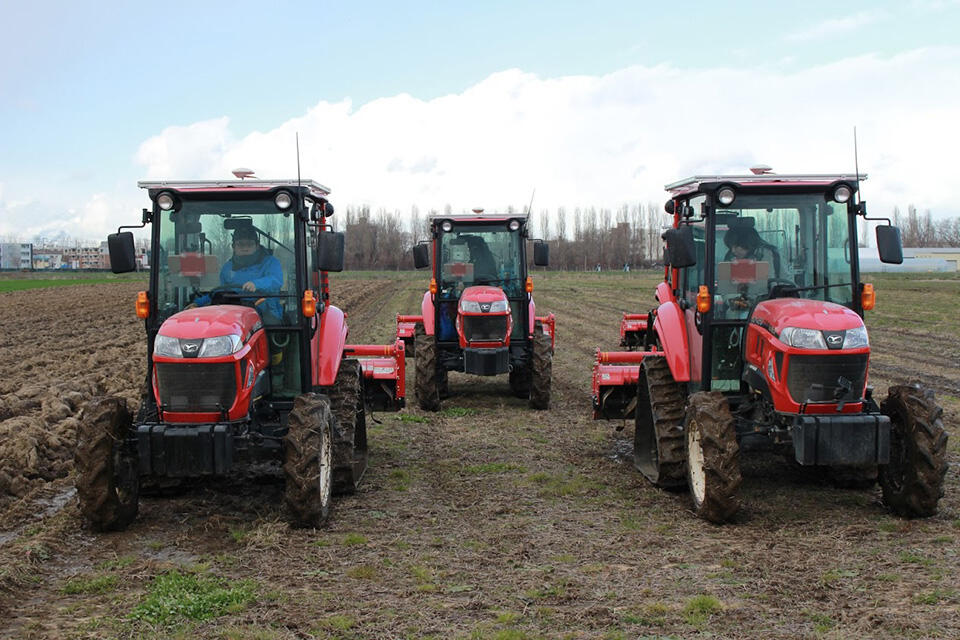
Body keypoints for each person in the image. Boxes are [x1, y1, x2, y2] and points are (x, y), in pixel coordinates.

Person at [193, 226, 284, 322]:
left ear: (257, 246)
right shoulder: (227, 268)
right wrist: (198, 303)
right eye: (240, 244)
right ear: (233, 247)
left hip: (266, 313)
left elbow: (276, 280)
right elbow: (221, 291)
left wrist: (256, 284)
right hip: (234, 314)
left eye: (249, 244)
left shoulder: (270, 263)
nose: (245, 248)